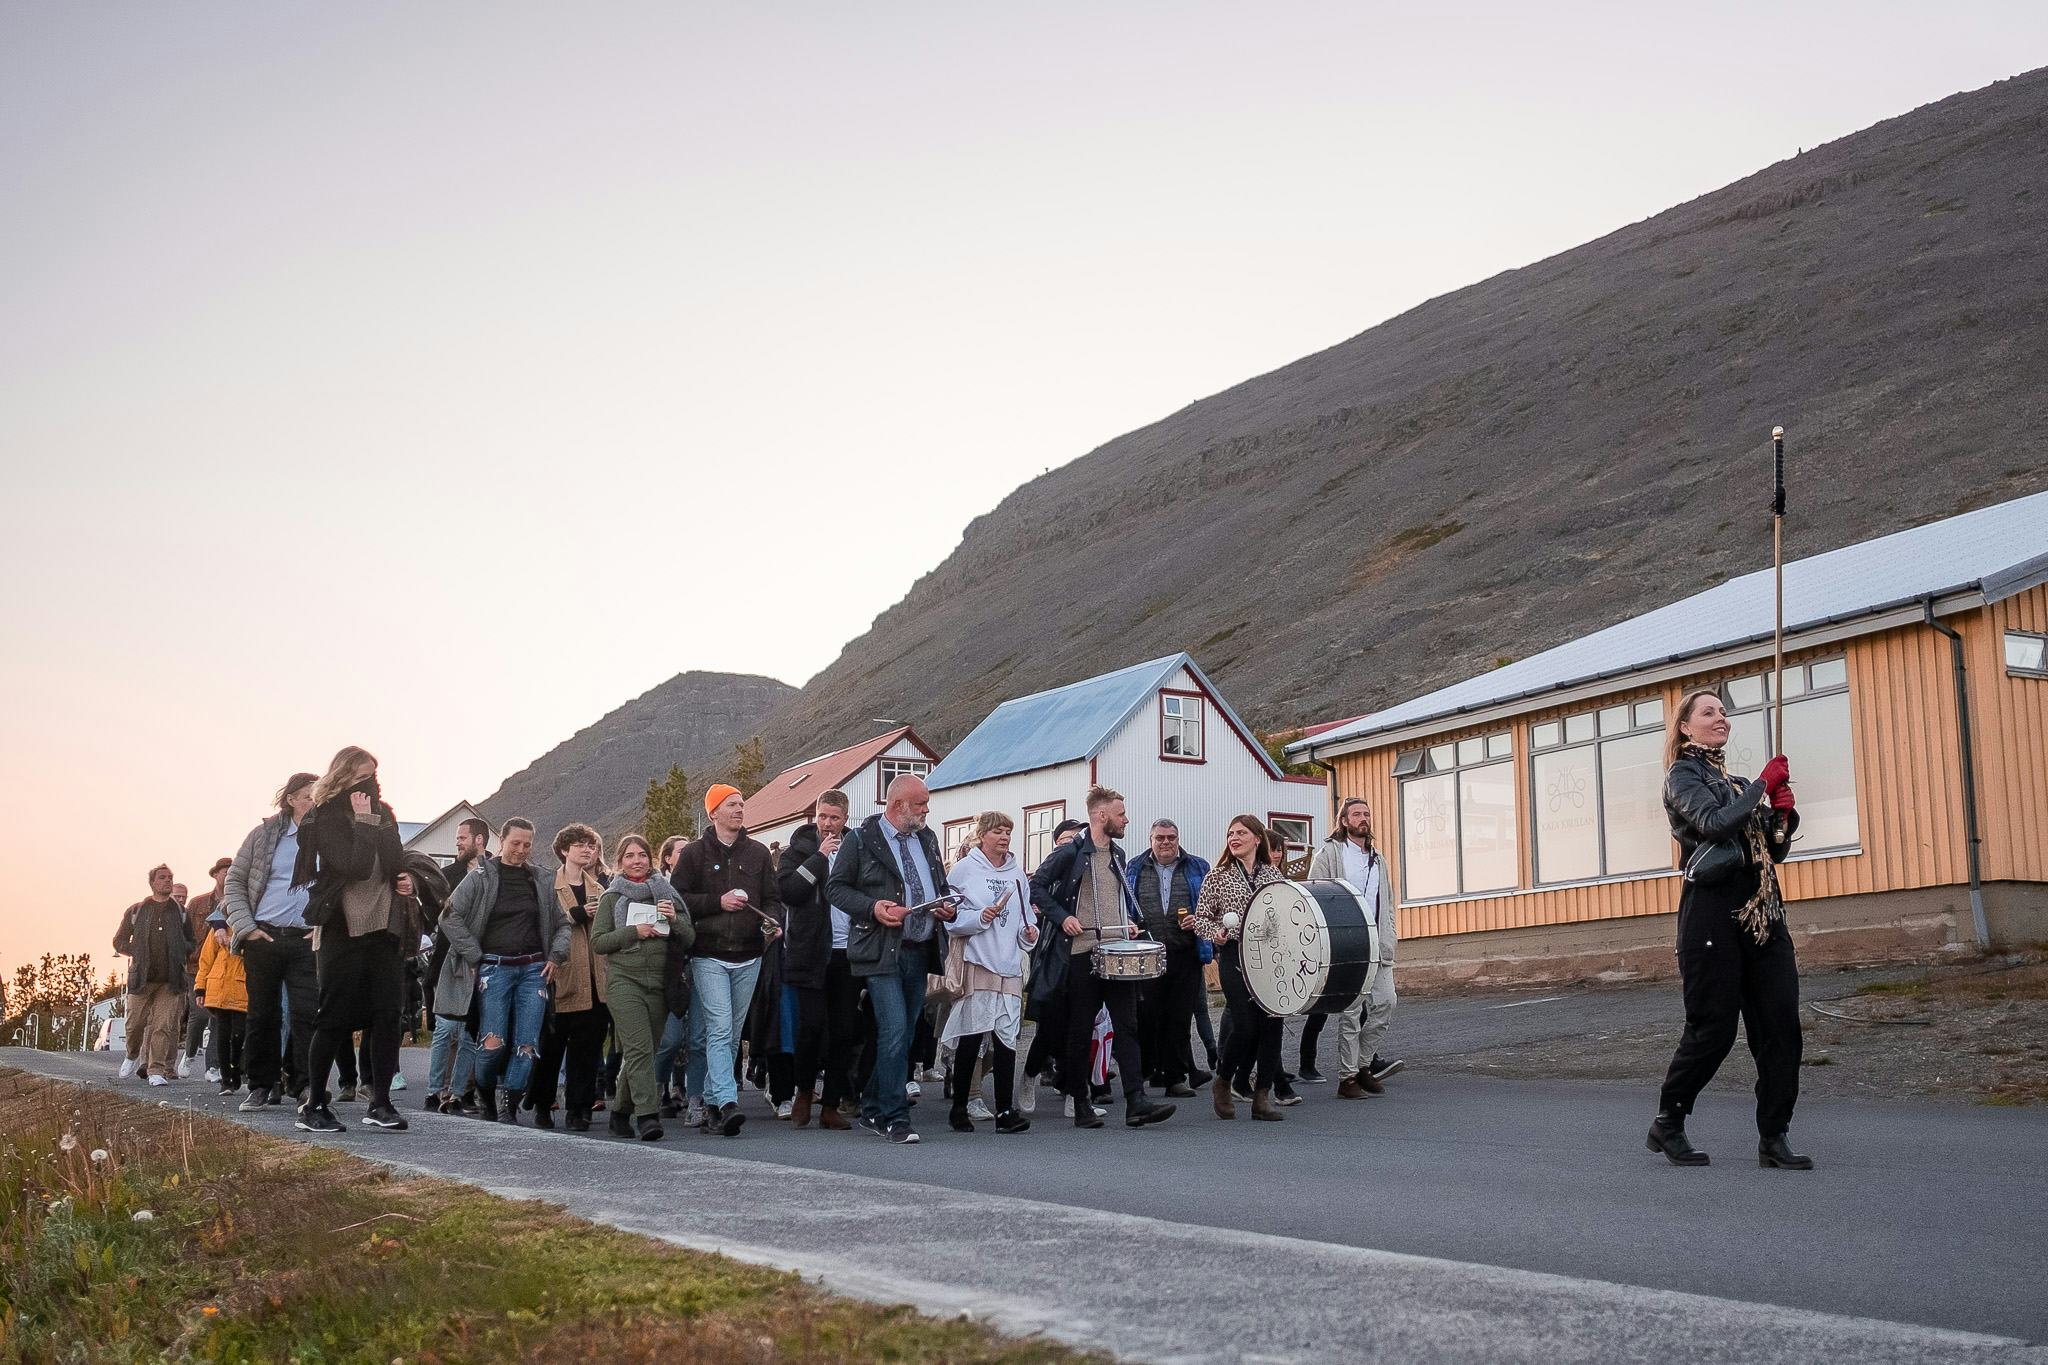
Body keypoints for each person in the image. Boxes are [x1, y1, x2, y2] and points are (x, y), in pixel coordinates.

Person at [1649, 688, 1810, 1170]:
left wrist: (1782, 811)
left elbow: (1774, 850)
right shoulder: (1681, 777)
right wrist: (1764, 784)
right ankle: (1669, 1121)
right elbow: (1716, 824)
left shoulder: (1739, 782)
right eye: (1708, 712)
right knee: (1713, 1031)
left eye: (1723, 711)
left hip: (1763, 916)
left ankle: (1774, 1137)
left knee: (1781, 1028)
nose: (1721, 718)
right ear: (1685, 726)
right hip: (1711, 919)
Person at [1030, 786, 1174, 1130]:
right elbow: (1036, 885)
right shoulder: (1072, 853)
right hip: (1081, 954)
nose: (1126, 819)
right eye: (1121, 813)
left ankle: (1136, 1101)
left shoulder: (1118, 855)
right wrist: (1062, 917)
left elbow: (1117, 898)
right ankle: (1081, 1103)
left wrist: (1130, 926)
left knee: (1128, 1025)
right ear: (1101, 816)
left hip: (1116, 952)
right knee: (1080, 1029)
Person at [290, 746, 418, 1134]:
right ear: (344, 776)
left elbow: (395, 861)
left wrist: (406, 877)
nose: (372, 783)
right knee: (332, 1016)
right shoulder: (322, 817)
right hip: (342, 924)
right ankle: (314, 1105)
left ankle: (380, 1102)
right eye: (364, 775)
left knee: (387, 1014)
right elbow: (355, 868)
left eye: (375, 775)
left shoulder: (384, 813)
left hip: (384, 923)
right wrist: (363, 821)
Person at [828, 774, 958, 1144]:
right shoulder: (860, 840)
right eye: (921, 805)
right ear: (899, 806)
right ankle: (894, 1116)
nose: (927, 810)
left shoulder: (927, 838)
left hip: (919, 947)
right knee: (895, 1029)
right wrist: (872, 907)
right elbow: (835, 888)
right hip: (880, 949)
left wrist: (944, 905)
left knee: (903, 1031)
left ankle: (871, 1106)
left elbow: (937, 883)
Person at [435, 817, 570, 1124]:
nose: (521, 850)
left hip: (534, 968)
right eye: (515, 844)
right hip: (494, 968)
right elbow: (449, 917)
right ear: (502, 842)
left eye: (527, 845)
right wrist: (474, 955)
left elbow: (562, 923)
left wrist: (557, 955)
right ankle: (485, 1093)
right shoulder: (482, 875)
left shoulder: (540, 879)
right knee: (493, 1042)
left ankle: (509, 1104)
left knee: (527, 1044)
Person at [674, 784, 782, 1137]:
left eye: (741, 804)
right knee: (719, 1029)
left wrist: (771, 920)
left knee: (733, 1034)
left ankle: (710, 1103)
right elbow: (679, 901)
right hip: (709, 954)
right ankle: (726, 1099)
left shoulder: (758, 854)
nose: (739, 809)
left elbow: (772, 897)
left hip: (749, 953)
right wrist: (717, 903)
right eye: (732, 804)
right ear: (713, 812)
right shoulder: (693, 854)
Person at [221, 772, 320, 1110]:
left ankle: (305, 1085)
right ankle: (262, 1085)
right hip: (263, 935)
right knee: (263, 1015)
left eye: (318, 796)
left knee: (307, 1014)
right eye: (308, 796)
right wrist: (246, 927)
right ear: (291, 799)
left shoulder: (327, 836)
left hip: (306, 938)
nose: (314, 802)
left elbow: (340, 884)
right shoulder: (263, 836)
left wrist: (323, 926)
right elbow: (234, 882)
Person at [592, 834, 694, 1140]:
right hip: (625, 981)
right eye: (629, 856)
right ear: (620, 862)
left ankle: (620, 1113)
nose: (636, 861)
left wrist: (674, 919)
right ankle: (648, 1117)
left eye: (642, 855)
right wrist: (632, 932)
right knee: (638, 1049)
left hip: (660, 982)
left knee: (644, 1053)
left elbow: (689, 938)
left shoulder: (667, 893)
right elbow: (599, 942)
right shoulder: (612, 897)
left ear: (650, 859)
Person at [944, 811, 1038, 1134]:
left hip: (1008, 966)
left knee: (1007, 1039)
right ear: (982, 835)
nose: (1004, 838)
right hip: (979, 962)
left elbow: (1027, 918)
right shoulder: (965, 871)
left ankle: (1005, 1112)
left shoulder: (1017, 873)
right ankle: (959, 1108)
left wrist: (1030, 935)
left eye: (1008, 833)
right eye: (998, 832)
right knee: (972, 1036)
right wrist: (980, 917)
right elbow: (950, 919)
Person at [1190, 815, 1287, 1121]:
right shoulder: (1217, 876)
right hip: (1234, 953)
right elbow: (1201, 918)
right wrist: (1215, 933)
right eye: (1231, 833)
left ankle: (1262, 1096)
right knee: (1244, 1025)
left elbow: (1284, 915)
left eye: (1241, 833)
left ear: (1257, 838)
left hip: (1269, 955)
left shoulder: (1273, 875)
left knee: (1272, 1024)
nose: (1234, 838)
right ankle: (1223, 1079)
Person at [1308, 798, 1402, 1099]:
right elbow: (1316, 895)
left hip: (1378, 944)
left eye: (1366, 814)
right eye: (1357, 814)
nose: (1363, 819)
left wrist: (1391, 935)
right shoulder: (1329, 854)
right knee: (1351, 1013)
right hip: (1347, 943)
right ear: (1344, 820)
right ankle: (1347, 1078)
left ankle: (1363, 1065)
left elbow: (1386, 902)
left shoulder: (1378, 858)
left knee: (1386, 1003)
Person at [779, 789, 858, 1130]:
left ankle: (831, 1104)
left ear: (845, 819)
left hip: (848, 951)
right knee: (811, 1028)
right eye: (823, 816)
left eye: (835, 818)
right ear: (815, 815)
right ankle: (803, 1091)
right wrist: (818, 859)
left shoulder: (859, 848)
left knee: (844, 1031)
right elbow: (790, 893)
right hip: (811, 951)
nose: (828, 824)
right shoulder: (795, 851)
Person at [528, 823, 612, 1131]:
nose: (587, 850)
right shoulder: (549, 886)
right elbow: (543, 927)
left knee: (587, 1051)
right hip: (562, 977)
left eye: (591, 845)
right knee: (551, 1048)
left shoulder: (601, 889)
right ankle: (542, 1104)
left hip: (595, 982)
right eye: (580, 845)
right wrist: (576, 915)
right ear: (564, 850)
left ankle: (580, 1109)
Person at [1124, 818, 1209, 1098]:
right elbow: (1125, 904)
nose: (1166, 843)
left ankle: (1176, 1078)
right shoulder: (1134, 867)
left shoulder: (1197, 866)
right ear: (1150, 840)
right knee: (1147, 1016)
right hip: (1147, 952)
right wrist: (1129, 925)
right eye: (1160, 838)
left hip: (1185, 951)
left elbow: (1209, 908)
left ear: (1178, 838)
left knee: (1180, 1017)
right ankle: (1149, 1071)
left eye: (1171, 837)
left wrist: (1198, 920)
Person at [424, 818, 490, 1113]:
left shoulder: (495, 873)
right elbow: (434, 916)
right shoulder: (446, 875)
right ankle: (434, 1090)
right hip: (446, 959)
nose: (458, 842)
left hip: (481, 961)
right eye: (457, 838)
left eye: (462, 837)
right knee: (444, 1028)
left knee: (469, 1031)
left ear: (479, 840)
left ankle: (460, 1092)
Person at [113, 865, 194, 1085]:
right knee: (134, 1024)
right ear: (152, 883)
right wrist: (136, 951)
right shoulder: (137, 911)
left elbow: (191, 941)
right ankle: (131, 1054)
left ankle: (156, 1070)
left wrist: (179, 951)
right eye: (162, 878)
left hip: (171, 981)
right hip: (142, 979)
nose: (167, 881)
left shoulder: (180, 912)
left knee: (162, 1026)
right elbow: (119, 941)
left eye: (170, 878)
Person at [178, 858, 232, 1078]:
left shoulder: (238, 901)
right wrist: (186, 954)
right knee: (199, 1015)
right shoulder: (198, 903)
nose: (228, 876)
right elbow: (184, 933)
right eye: (225, 872)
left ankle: (213, 1066)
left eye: (232, 872)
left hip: (224, 968)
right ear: (215, 875)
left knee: (218, 1016)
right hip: (195, 966)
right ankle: (190, 1053)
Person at [195, 910, 247, 1093]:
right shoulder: (219, 929)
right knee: (223, 1035)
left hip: (243, 988)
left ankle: (237, 1070)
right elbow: (206, 960)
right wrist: (200, 987)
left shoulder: (249, 926)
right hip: (219, 987)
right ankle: (227, 1079)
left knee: (239, 1035)